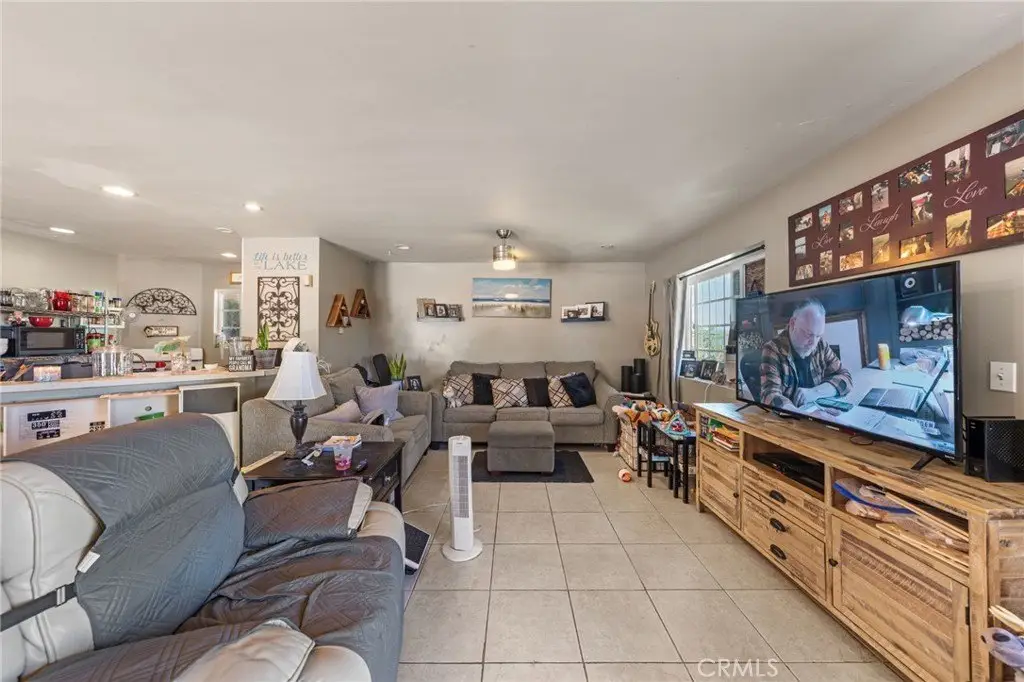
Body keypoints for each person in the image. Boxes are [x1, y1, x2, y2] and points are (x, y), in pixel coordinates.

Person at [759, 299, 852, 409]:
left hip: (818, 410)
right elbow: (769, 395)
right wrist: (798, 414)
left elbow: (846, 378)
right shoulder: (773, 350)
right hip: (791, 416)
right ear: (793, 323)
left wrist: (815, 392)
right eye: (809, 334)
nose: (813, 343)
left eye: (818, 336)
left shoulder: (821, 345)